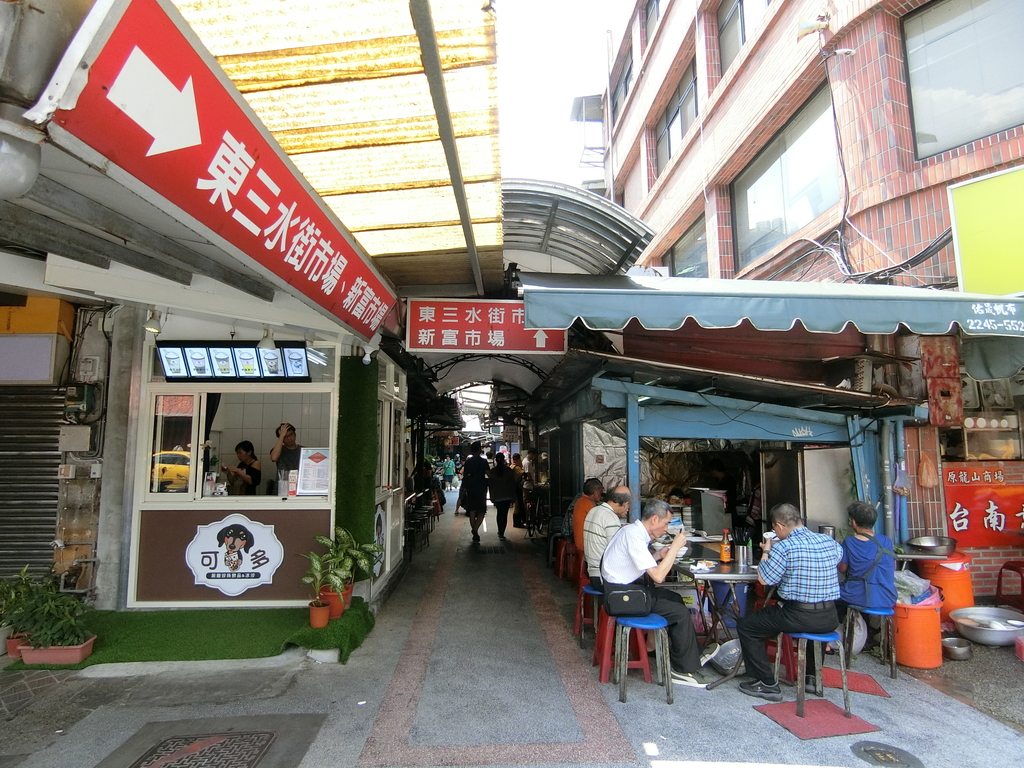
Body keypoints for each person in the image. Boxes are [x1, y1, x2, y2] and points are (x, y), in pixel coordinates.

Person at [601, 498, 714, 688]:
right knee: (680, 613)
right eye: (666, 523)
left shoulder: (633, 532)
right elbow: (658, 577)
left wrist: (658, 556)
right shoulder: (634, 536)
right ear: (654, 519)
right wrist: (675, 549)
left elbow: (634, 564)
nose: (666, 528)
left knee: (675, 598)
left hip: (626, 589)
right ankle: (682, 670)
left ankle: (681, 650)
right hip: (623, 597)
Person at [736, 502, 843, 702]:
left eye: (775, 529)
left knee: (747, 626)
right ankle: (811, 678)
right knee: (813, 631)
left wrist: (766, 552)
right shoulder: (829, 542)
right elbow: (836, 559)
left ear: (779, 526)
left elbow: (765, 579)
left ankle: (766, 683)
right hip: (829, 616)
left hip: (797, 615)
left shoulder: (784, 547)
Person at [838, 500, 897, 628]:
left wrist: (839, 550)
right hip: (887, 597)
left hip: (860, 597)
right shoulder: (886, 541)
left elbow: (842, 569)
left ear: (853, 521)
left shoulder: (849, 542)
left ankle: (839, 637)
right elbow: (892, 566)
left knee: (832, 598)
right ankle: (867, 633)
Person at [582, 485, 629, 591]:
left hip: (592, 573)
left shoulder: (593, 510)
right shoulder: (611, 518)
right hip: (603, 579)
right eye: (628, 505)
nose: (628, 509)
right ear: (625, 503)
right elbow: (618, 552)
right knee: (642, 585)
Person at [461, 441, 490, 542]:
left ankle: (475, 531)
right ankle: (475, 529)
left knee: (472, 511)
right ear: (479, 450)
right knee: (481, 511)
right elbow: (488, 474)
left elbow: (465, 474)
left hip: (470, 489)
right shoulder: (483, 461)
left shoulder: (468, 462)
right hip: (481, 488)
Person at [487, 453, 518, 540]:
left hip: (497, 496)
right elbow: (513, 484)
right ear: (504, 460)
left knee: (499, 513)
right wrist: (513, 496)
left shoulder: (493, 471)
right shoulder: (509, 471)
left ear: (496, 460)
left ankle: (500, 531)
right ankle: (501, 532)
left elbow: (491, 485)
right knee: (504, 514)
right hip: (507, 495)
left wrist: (491, 496)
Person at [572, 478, 605, 554]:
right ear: (595, 492)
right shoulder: (587, 504)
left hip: (582, 541)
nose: (601, 495)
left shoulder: (581, 501)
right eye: (600, 492)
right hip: (584, 544)